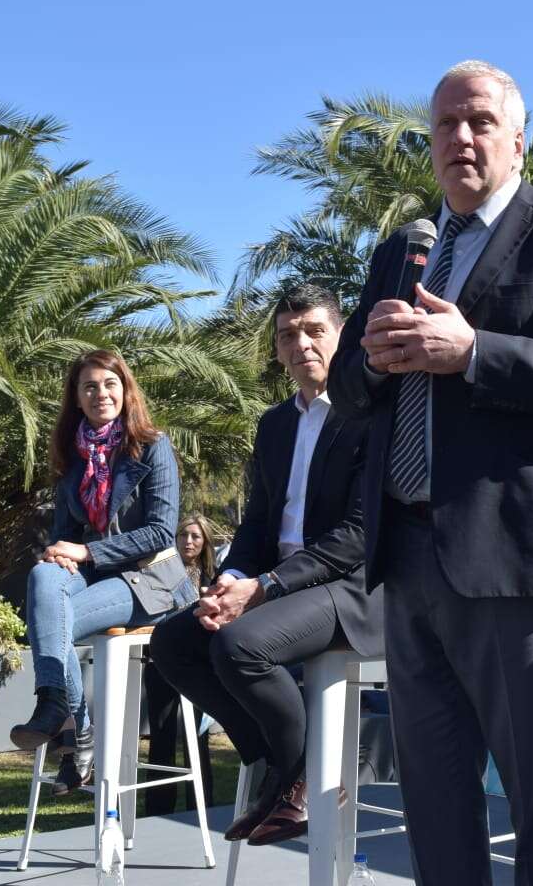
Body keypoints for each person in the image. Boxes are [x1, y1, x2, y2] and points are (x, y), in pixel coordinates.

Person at [327, 60, 533, 885]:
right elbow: (348, 393)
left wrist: (476, 353)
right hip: (407, 558)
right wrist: (370, 360)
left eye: (479, 122)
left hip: (517, 562)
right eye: (444, 124)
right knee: (433, 803)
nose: (460, 138)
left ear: (518, 140)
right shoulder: (403, 252)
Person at [150, 282, 376, 847]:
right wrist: (228, 581)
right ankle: (277, 762)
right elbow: (255, 525)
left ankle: (301, 777)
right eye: (287, 335)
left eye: (315, 330)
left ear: (342, 335)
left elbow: (359, 534)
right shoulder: (274, 424)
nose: (302, 344)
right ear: (276, 350)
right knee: (173, 642)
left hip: (351, 588)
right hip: (276, 585)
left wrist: (265, 587)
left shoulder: (371, 414)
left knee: (240, 646)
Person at [11, 349, 194, 797]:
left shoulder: (153, 445)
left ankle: (73, 731)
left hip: (149, 580)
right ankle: (59, 706)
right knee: (42, 579)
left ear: (125, 390)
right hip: (96, 576)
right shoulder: (72, 458)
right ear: (76, 397)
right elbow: (65, 534)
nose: (101, 394)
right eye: (89, 386)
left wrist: (86, 551)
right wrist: (58, 555)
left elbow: (159, 533)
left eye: (110, 384)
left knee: (52, 622)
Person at [141, 512, 223, 815]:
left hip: (199, 666)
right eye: (183, 535)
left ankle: (201, 807)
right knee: (161, 735)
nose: (188, 541)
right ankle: (158, 810)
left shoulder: (216, 577)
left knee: (197, 739)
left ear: (205, 542)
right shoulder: (161, 572)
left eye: (195, 536)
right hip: (159, 662)